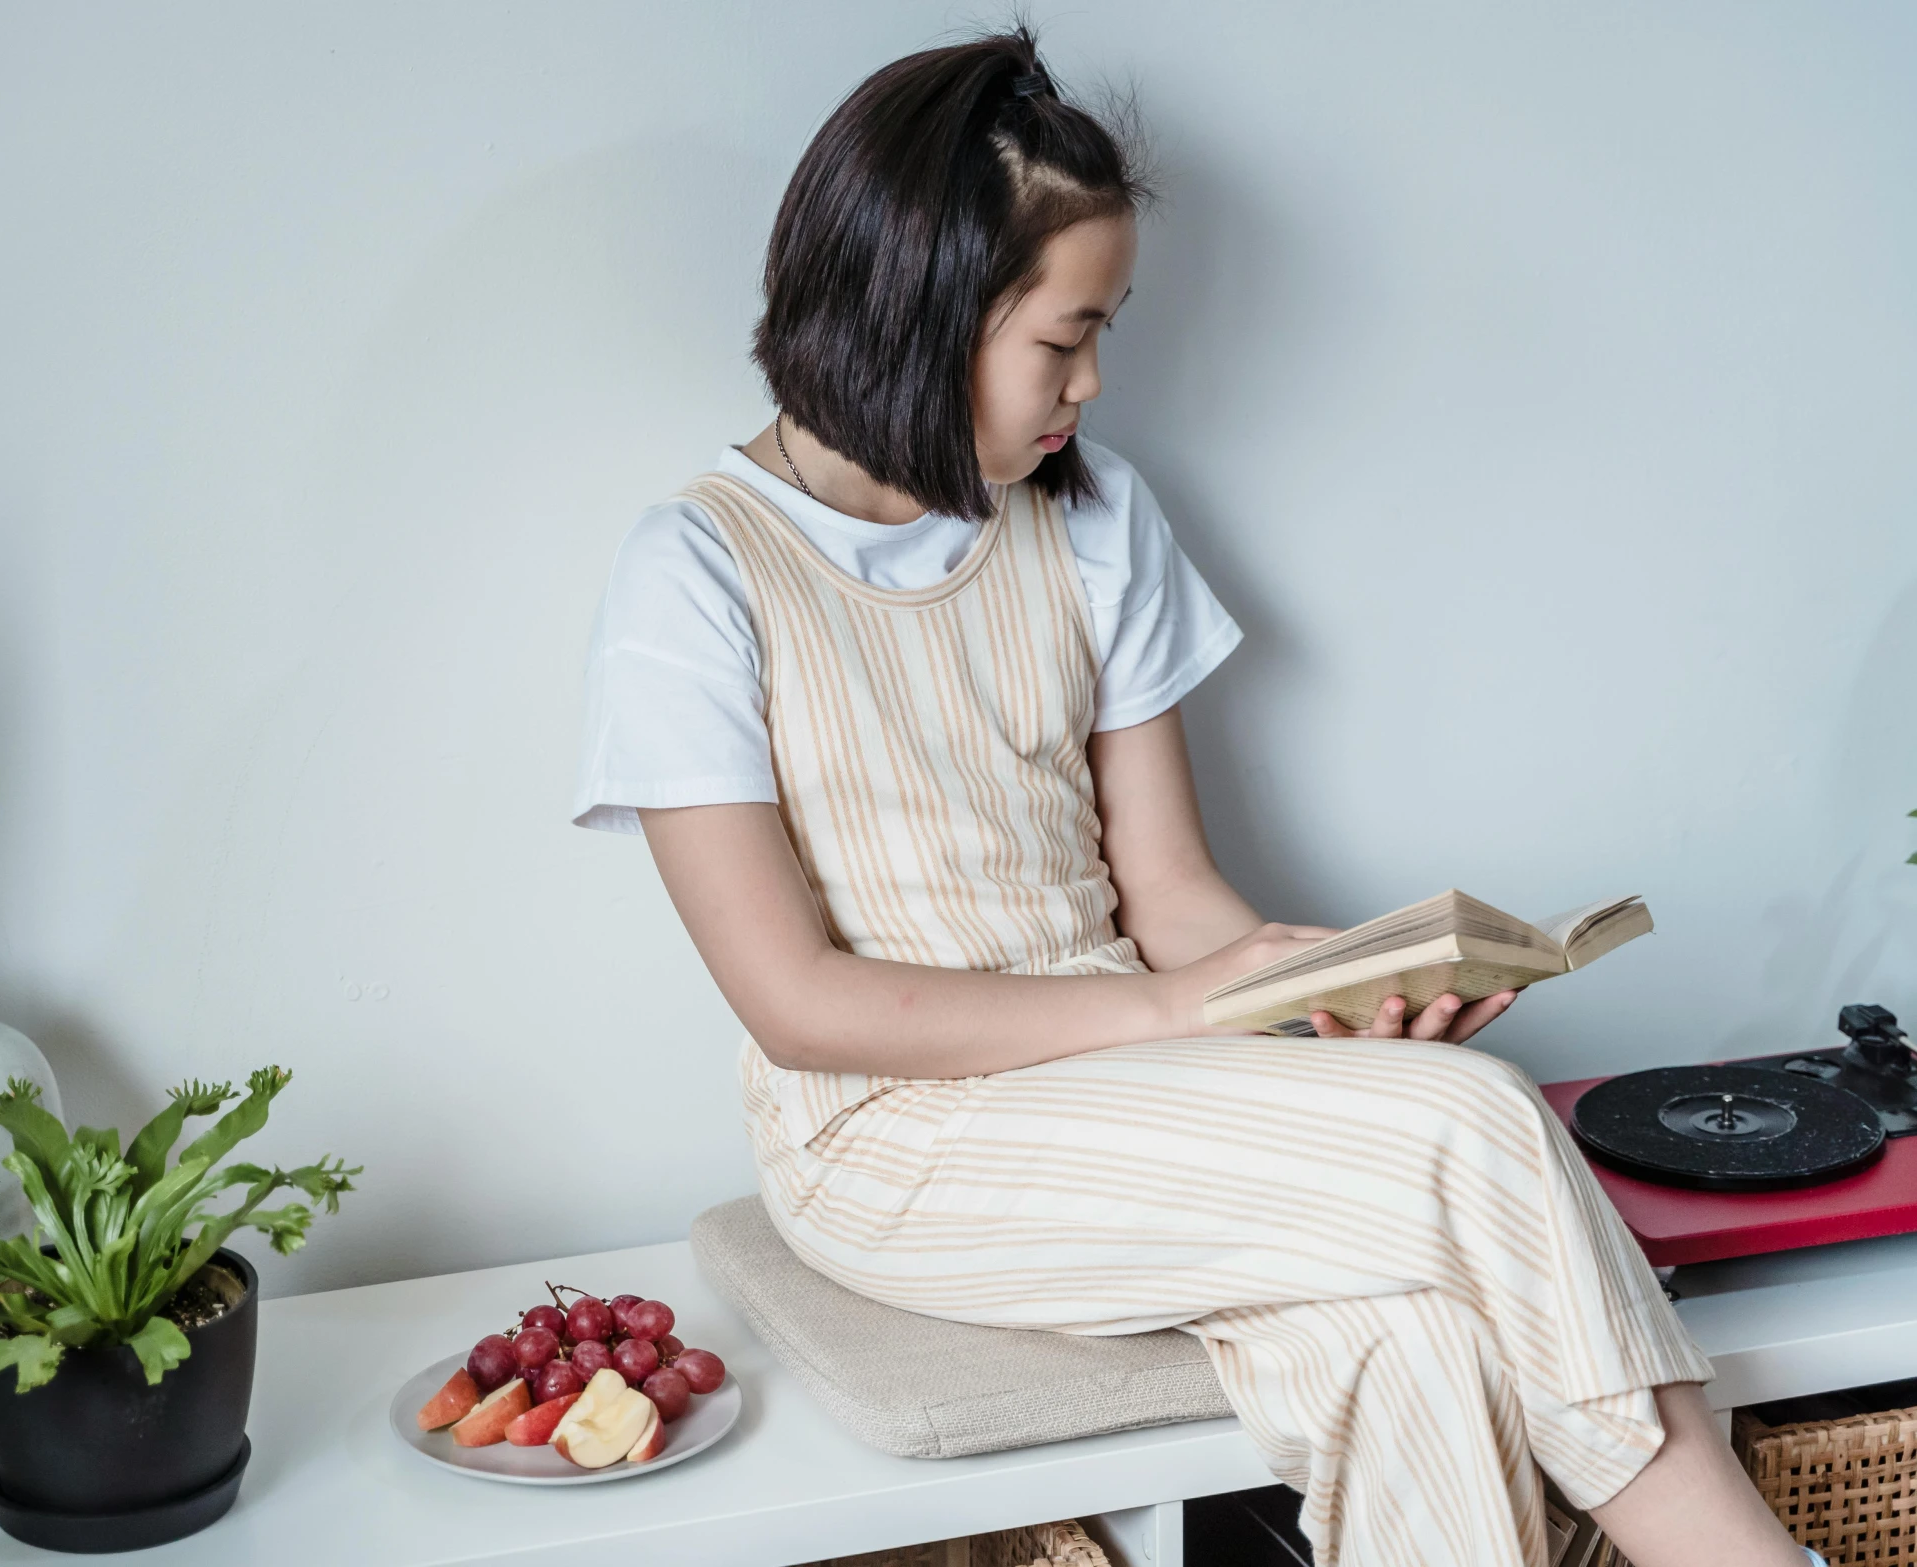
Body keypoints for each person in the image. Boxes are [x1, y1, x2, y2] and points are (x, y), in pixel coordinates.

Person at [573, 28, 1817, 1567]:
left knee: (1412, 1332)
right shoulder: (694, 572)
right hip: (889, 1141)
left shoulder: (1096, 515)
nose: (1092, 383)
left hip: (1127, 1079)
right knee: (1473, 1127)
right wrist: (1183, 1020)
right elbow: (798, 1004)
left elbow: (1168, 898)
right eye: (1064, 337)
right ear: (925, 310)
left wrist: (1324, 1004)